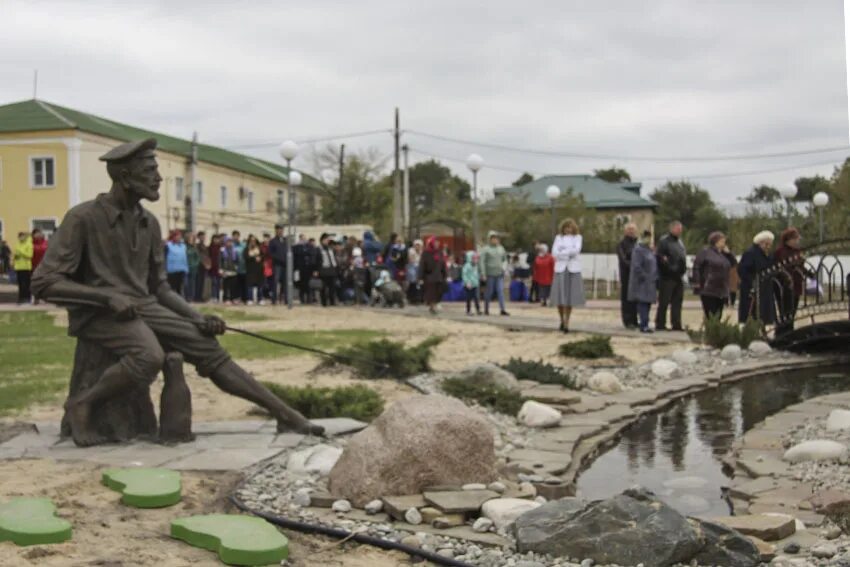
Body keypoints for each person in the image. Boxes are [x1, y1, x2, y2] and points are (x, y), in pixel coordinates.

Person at [30, 138, 321, 445]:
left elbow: (160, 288)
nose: (158, 179)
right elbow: (44, 282)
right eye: (150, 171)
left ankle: (287, 415)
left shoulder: (150, 223)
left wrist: (198, 318)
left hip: (144, 308)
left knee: (208, 348)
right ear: (125, 177)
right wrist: (106, 297)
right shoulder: (84, 218)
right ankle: (82, 403)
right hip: (99, 314)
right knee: (149, 355)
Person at [774, 227, 812, 334]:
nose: (797, 241)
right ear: (788, 239)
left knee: (793, 311)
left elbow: (801, 266)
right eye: (795, 239)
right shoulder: (780, 251)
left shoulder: (798, 251)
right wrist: (785, 277)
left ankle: (790, 332)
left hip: (796, 285)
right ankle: (781, 333)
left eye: (797, 239)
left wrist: (808, 273)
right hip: (784, 286)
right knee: (785, 311)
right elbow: (777, 268)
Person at [552, 218, 585, 333]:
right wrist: (567, 252)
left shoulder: (578, 237)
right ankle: (561, 319)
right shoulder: (558, 238)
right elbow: (554, 253)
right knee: (560, 297)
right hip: (560, 269)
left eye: (570, 227)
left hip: (572, 269)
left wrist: (563, 252)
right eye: (566, 227)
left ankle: (567, 322)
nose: (568, 230)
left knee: (569, 298)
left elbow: (576, 251)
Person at [692, 231, 732, 321]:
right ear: (716, 242)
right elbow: (697, 266)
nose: (724, 243)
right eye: (722, 241)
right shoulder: (705, 252)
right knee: (710, 313)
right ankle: (710, 330)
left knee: (718, 314)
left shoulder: (723, 254)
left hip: (721, 289)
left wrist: (729, 254)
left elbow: (732, 264)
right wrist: (697, 282)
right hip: (709, 287)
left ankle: (716, 330)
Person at [737, 231, 775, 324]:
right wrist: (751, 282)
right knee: (752, 312)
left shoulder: (766, 254)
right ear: (760, 242)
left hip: (764, 286)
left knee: (764, 313)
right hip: (752, 286)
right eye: (766, 244)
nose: (768, 247)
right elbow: (743, 270)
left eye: (770, 244)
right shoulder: (751, 253)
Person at [655, 221, 687, 331]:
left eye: (680, 229)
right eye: (678, 229)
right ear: (672, 229)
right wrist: (670, 269)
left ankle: (676, 324)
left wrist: (681, 271)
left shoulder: (680, 243)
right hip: (667, 277)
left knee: (677, 302)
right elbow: (661, 258)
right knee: (664, 302)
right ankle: (660, 324)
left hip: (679, 277)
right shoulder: (664, 242)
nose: (680, 231)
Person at [628, 230, 658, 333]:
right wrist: (644, 276)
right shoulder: (638, 250)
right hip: (642, 282)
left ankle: (645, 323)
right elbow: (636, 266)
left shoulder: (649, 250)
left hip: (650, 282)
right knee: (643, 304)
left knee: (648, 304)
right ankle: (643, 325)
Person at [481, 231, 509, 316]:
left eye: (496, 238)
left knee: (500, 291)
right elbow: (482, 262)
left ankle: (502, 309)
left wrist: (504, 267)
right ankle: (486, 309)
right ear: (489, 239)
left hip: (499, 273)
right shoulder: (486, 249)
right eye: (493, 238)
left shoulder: (501, 248)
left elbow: (505, 259)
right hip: (490, 274)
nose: (495, 240)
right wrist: (483, 273)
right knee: (489, 291)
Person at [616, 223, 638, 329]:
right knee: (626, 297)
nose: (631, 231)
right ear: (625, 231)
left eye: (633, 229)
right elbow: (623, 260)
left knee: (635, 298)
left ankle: (635, 319)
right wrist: (633, 266)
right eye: (629, 229)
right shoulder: (621, 244)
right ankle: (627, 320)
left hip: (637, 276)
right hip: (626, 274)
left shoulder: (638, 243)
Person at [419, 236, 447, 315]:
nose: (437, 244)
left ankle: (434, 305)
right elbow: (422, 265)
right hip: (429, 276)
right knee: (431, 293)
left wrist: (445, 274)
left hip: (439, 276)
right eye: (435, 242)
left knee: (438, 292)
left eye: (438, 242)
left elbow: (443, 264)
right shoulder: (426, 253)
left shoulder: (440, 252)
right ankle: (432, 306)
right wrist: (420, 277)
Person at [316, 233, 339, 307]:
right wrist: (316, 270)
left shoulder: (330, 249)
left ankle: (332, 302)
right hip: (323, 270)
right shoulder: (318, 249)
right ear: (322, 240)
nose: (327, 241)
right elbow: (316, 260)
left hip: (331, 270)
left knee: (332, 287)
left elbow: (333, 259)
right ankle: (324, 302)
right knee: (323, 287)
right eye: (326, 240)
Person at [268, 224, 288, 305]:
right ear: (276, 230)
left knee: (286, 282)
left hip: (286, 265)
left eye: (282, 229)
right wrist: (279, 259)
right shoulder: (273, 241)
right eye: (279, 229)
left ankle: (285, 299)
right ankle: (274, 299)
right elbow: (271, 253)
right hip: (277, 265)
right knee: (276, 281)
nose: (280, 231)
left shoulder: (285, 240)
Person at [243, 235, 265, 305]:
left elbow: (263, 256)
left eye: (254, 241)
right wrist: (253, 257)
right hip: (250, 270)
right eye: (251, 241)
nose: (253, 242)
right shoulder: (246, 249)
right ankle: (250, 299)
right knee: (250, 286)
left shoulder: (259, 248)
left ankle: (260, 299)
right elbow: (246, 257)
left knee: (260, 286)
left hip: (259, 270)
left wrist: (260, 258)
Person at [165, 230, 188, 296]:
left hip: (182, 269)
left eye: (179, 236)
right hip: (171, 270)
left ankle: (180, 300)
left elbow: (185, 257)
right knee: (172, 287)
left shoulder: (183, 246)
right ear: (173, 237)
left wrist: (186, 268)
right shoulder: (168, 245)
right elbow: (165, 256)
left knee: (180, 287)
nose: (178, 238)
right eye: (177, 236)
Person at [13, 231, 33, 304]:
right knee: (20, 284)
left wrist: (21, 252)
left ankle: (27, 298)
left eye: (22, 236)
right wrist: (15, 257)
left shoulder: (29, 244)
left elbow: (29, 255)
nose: (20, 238)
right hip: (18, 267)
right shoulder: (18, 244)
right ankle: (21, 298)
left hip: (26, 267)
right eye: (19, 236)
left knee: (26, 284)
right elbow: (16, 253)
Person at [31, 229, 48, 305]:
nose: (39, 235)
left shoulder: (46, 243)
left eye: (40, 233)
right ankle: (36, 298)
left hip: (45, 266)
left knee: (45, 282)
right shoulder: (31, 244)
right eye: (37, 234)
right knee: (35, 283)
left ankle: (45, 297)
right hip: (34, 266)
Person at [220, 237, 239, 304]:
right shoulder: (222, 250)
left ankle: (232, 298)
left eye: (230, 241)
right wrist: (221, 269)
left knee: (233, 285)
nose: (229, 243)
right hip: (225, 270)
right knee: (226, 285)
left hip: (233, 270)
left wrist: (237, 266)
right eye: (228, 241)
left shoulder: (234, 250)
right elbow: (220, 260)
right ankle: (226, 299)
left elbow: (237, 260)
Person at [462, 251, 482, 316]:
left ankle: (478, 309)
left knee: (476, 298)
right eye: (474, 258)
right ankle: (468, 310)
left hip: (475, 284)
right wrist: (467, 282)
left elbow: (476, 275)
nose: (476, 260)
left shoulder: (475, 266)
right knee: (469, 298)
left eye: (477, 258)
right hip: (468, 285)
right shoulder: (466, 266)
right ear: (470, 258)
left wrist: (478, 279)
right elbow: (464, 275)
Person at [406, 239, 423, 304]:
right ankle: (411, 298)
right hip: (412, 268)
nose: (417, 247)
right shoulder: (411, 251)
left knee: (420, 284)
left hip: (419, 268)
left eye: (419, 245)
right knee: (413, 283)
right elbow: (411, 260)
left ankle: (419, 298)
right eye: (416, 245)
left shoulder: (422, 252)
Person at [232, 230, 247, 302]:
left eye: (237, 236)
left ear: (239, 236)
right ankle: (236, 297)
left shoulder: (243, 245)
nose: (236, 237)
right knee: (236, 284)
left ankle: (244, 298)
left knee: (244, 283)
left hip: (243, 267)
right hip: (235, 268)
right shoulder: (232, 245)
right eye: (234, 236)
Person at [195, 231, 210, 302]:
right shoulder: (197, 246)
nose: (203, 238)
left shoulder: (205, 246)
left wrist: (208, 264)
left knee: (202, 282)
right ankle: (197, 296)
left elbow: (207, 256)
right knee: (198, 282)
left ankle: (201, 296)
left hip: (204, 266)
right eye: (201, 236)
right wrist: (203, 262)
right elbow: (199, 256)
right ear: (198, 237)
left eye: (204, 236)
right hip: (199, 265)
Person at [185, 232, 200, 302]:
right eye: (189, 238)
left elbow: (197, 258)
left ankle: (191, 297)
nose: (191, 240)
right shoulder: (184, 247)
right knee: (186, 283)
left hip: (193, 268)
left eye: (192, 239)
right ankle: (186, 296)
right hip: (185, 267)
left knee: (192, 283)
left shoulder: (195, 248)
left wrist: (195, 264)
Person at [208, 234, 222, 303]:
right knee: (213, 283)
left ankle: (218, 297)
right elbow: (208, 257)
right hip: (212, 267)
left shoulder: (221, 248)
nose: (216, 240)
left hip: (219, 268)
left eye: (217, 239)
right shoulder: (210, 247)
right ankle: (213, 296)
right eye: (215, 239)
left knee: (219, 283)